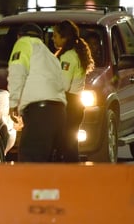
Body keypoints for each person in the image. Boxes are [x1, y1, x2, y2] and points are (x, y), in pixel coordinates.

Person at [8, 23, 67, 162]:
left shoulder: (24, 43)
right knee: (48, 162)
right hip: (59, 112)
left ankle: (33, 184)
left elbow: (17, 71)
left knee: (30, 160)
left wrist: (13, 103)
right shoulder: (51, 56)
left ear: (19, 36)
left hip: (40, 112)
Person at [53, 20, 94, 162]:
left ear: (64, 37)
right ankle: (73, 178)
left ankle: (69, 179)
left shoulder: (68, 57)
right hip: (76, 104)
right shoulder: (76, 53)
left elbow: (63, 85)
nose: (53, 39)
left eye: (55, 36)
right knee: (70, 145)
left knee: (66, 147)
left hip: (68, 104)